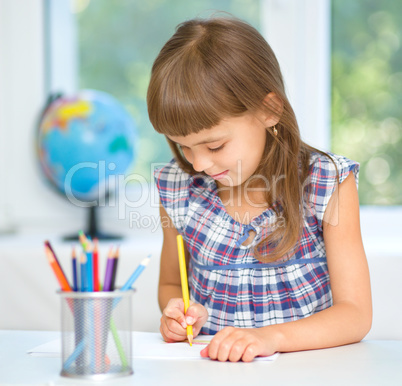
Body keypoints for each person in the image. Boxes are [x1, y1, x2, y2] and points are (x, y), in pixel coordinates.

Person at [147, 16, 372, 362]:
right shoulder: (179, 191)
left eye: (216, 145)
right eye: (183, 146)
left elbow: (355, 315)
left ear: (269, 109)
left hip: (310, 373)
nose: (198, 165)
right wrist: (179, 313)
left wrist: (269, 338)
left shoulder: (327, 183)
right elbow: (171, 285)